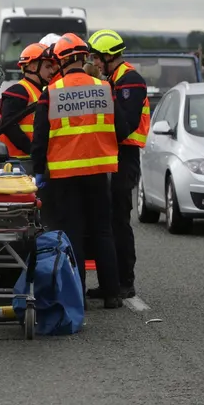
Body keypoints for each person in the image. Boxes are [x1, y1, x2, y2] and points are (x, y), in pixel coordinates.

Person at [29, 34, 125, 309]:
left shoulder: (52, 91)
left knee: (72, 233)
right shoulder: (103, 87)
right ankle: (112, 293)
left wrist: (38, 171)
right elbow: (121, 126)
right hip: (98, 171)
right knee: (102, 231)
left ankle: (77, 294)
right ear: (83, 58)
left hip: (64, 174)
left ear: (61, 60)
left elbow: (40, 136)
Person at [86, 30, 150, 300]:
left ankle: (125, 281)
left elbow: (125, 125)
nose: (95, 62)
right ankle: (109, 282)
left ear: (109, 56)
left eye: (97, 58)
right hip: (111, 155)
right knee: (106, 221)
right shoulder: (113, 80)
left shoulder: (130, 81)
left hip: (125, 156)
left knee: (119, 221)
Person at [0, 43, 56, 166]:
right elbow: (8, 125)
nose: (52, 71)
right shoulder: (19, 90)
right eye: (48, 66)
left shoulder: (40, 91)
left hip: (30, 161)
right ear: (33, 67)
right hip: (17, 163)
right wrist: (32, 150)